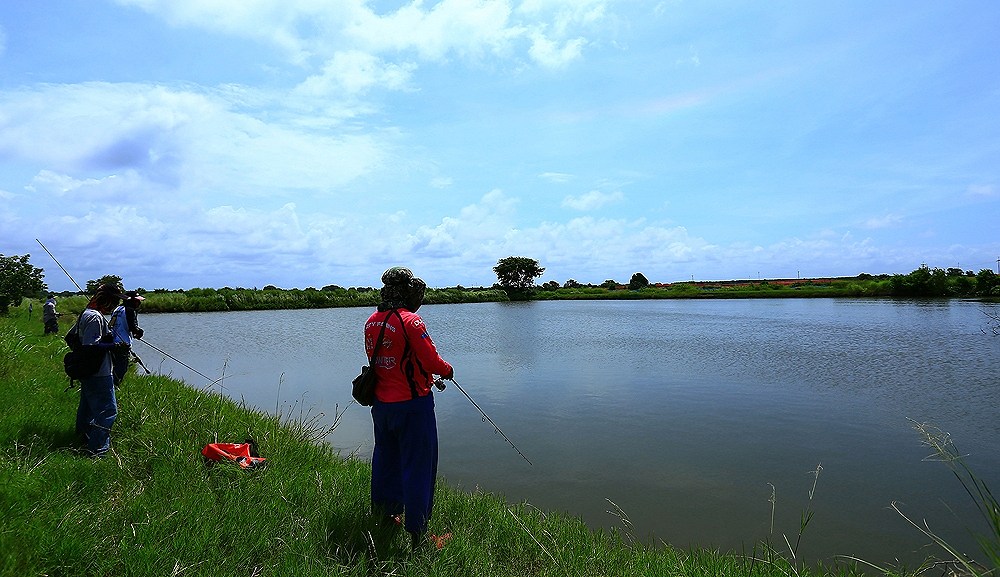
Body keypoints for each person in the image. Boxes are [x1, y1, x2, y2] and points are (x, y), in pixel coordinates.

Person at [364, 267, 454, 550]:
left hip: (381, 406)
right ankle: (420, 536)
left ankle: (386, 515)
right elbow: (431, 362)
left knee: (386, 460)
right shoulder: (412, 322)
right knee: (419, 468)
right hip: (413, 407)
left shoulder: (372, 321)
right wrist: (448, 370)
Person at [73, 284, 123, 458]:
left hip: (91, 372)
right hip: (99, 373)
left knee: (87, 409)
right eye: (115, 300)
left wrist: (107, 339)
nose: (116, 304)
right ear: (106, 299)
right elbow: (90, 346)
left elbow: (73, 338)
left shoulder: (87, 314)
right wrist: (113, 345)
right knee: (108, 411)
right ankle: (97, 450)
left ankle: (83, 439)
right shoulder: (94, 317)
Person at [109, 290, 145, 386]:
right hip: (123, 343)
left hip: (112, 342)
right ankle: (114, 387)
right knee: (122, 367)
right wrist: (140, 332)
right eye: (137, 301)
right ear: (131, 301)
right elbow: (132, 327)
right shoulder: (130, 310)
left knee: (114, 366)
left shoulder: (117, 309)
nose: (139, 303)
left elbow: (112, 324)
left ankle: (112, 386)